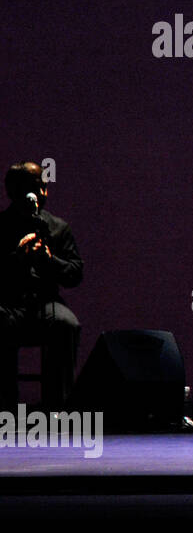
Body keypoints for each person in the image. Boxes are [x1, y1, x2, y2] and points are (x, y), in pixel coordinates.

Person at [0, 162, 83, 409]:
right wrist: (18, 258)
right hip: (8, 305)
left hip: (44, 304)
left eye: (45, 187)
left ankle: (58, 406)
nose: (42, 194)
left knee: (66, 324)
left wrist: (49, 261)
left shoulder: (57, 228)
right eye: (35, 188)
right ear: (15, 192)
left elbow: (75, 274)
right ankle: (5, 408)